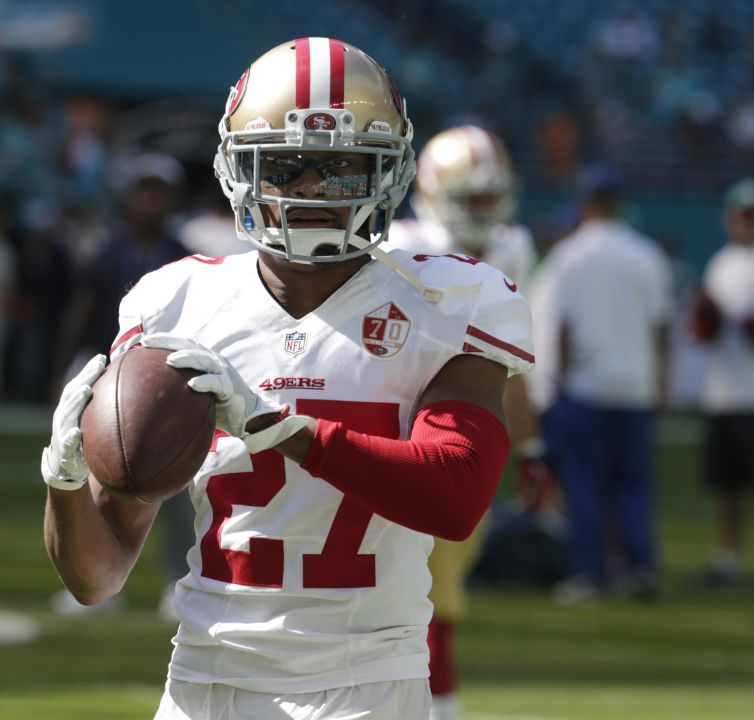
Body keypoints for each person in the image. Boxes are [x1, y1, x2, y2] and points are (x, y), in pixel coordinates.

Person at [40, 38, 534, 720]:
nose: (310, 189)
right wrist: (66, 488)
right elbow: (95, 580)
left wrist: (283, 430)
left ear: (389, 173)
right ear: (238, 169)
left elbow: (454, 497)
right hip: (202, 681)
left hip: (367, 683)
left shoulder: (447, 300)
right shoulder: (176, 301)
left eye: (341, 167)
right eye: (286, 166)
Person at [388, 124, 545, 720]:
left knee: (441, 600)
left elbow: (513, 365)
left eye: (488, 196)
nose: (482, 211)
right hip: (392, 430)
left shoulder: (511, 249)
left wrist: (531, 447)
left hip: (460, 436)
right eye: (468, 197)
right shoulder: (397, 246)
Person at [535, 164, 673, 603]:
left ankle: (591, 572)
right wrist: (661, 385)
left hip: (587, 386)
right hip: (634, 386)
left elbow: (562, 327)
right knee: (633, 484)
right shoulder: (647, 254)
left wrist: (557, 381)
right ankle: (640, 567)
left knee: (585, 484)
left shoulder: (570, 255)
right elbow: (661, 329)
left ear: (585, 203)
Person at [690, 178, 754, 591]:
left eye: (753, 214)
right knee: (726, 484)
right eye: (740, 214)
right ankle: (726, 559)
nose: (746, 221)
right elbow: (706, 323)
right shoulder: (721, 263)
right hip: (724, 390)